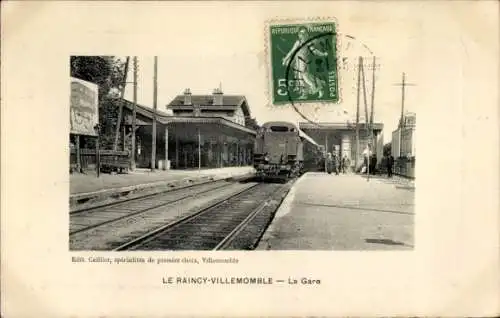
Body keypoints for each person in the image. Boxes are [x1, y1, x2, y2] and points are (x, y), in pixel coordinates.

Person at [281, 26, 329, 99]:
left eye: (304, 33)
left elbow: (315, 51)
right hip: (298, 62)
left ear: (307, 34)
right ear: (299, 35)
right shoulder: (298, 42)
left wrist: (323, 54)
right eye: (301, 33)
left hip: (304, 62)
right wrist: (285, 59)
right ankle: (308, 93)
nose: (303, 35)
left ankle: (316, 87)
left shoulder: (308, 43)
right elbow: (291, 52)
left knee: (305, 76)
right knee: (302, 77)